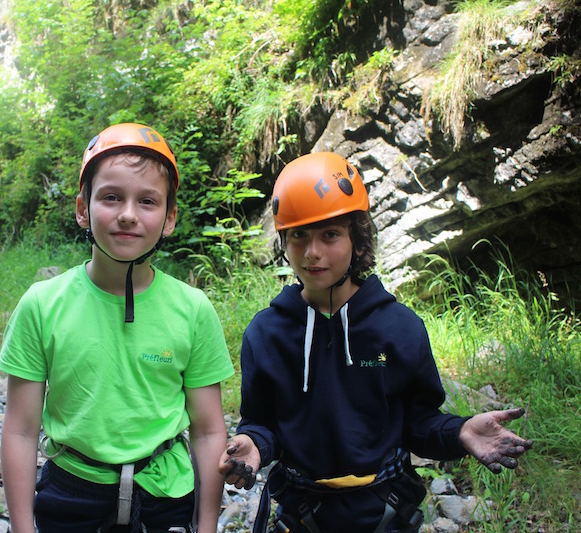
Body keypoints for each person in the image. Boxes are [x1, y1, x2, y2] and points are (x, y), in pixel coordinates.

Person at [217, 152, 533, 533]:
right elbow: (262, 421)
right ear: (284, 240)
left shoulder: (399, 328)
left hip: (387, 512)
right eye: (299, 234)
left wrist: (460, 432)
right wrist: (253, 444)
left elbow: (419, 423)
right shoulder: (266, 334)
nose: (312, 252)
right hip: (300, 514)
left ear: (358, 240)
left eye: (330, 234)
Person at [0, 122, 235, 533]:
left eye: (147, 201)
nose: (127, 214)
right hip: (72, 492)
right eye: (111, 197)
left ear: (169, 218)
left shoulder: (193, 309)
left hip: (165, 494)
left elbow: (209, 430)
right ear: (82, 209)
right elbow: (20, 430)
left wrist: (207, 525)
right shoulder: (42, 305)